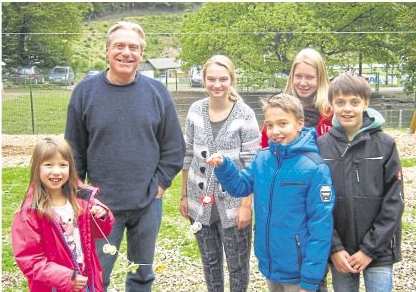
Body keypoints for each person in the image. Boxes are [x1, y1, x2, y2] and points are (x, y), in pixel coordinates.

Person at [65, 21, 186, 292]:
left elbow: (174, 147)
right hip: (100, 208)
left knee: (142, 276)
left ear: (141, 55)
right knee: (96, 277)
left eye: (134, 47)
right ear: (107, 50)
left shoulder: (157, 93)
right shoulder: (85, 93)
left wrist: (161, 183)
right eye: (119, 46)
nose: (126, 53)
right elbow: (73, 152)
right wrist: (81, 195)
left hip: (147, 205)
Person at [207, 93, 335, 292]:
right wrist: (224, 166)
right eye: (270, 125)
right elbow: (240, 186)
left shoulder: (315, 168)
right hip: (271, 265)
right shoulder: (262, 159)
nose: (276, 131)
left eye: (283, 124)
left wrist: (310, 279)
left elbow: (321, 226)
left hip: (299, 271)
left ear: (299, 123)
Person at [179, 55, 260, 292]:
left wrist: (246, 205)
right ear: (204, 80)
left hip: (234, 203)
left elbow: (252, 164)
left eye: (223, 79)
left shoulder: (244, 114)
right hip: (199, 201)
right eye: (211, 79)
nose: (217, 84)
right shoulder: (195, 110)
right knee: (210, 262)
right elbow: (188, 154)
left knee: (237, 265)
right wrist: (184, 195)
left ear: (231, 80)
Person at [317, 73, 404, 292]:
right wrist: (334, 248)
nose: (347, 108)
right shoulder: (321, 146)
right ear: (331, 105)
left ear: (365, 102)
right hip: (341, 253)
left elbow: (394, 201)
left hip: (379, 250)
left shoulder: (385, 145)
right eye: (340, 102)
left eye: (354, 102)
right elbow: (318, 203)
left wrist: (370, 249)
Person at [11, 137, 114, 292]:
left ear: (70, 168)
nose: (56, 171)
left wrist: (101, 216)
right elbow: (30, 260)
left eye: (62, 165)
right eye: (48, 165)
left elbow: (101, 232)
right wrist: (67, 278)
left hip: (87, 279)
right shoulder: (29, 213)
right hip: (54, 285)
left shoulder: (82, 200)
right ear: (37, 169)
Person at [260, 48, 332, 148]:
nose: (302, 83)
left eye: (309, 77)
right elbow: (265, 147)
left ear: (320, 78)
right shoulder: (278, 108)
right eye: (298, 76)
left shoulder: (331, 113)